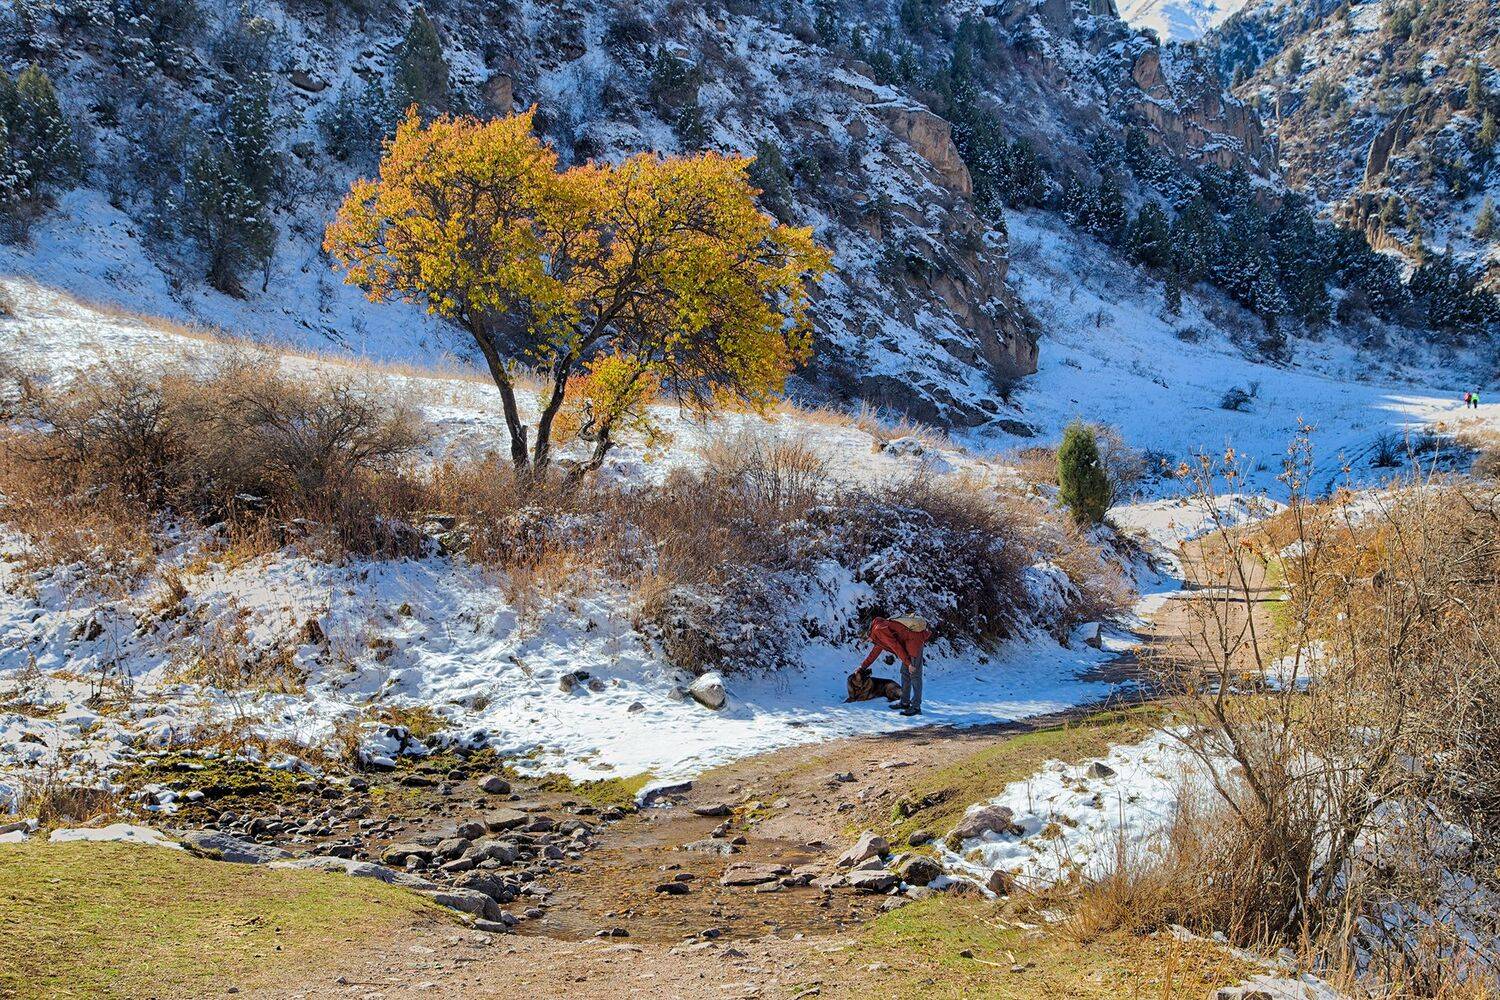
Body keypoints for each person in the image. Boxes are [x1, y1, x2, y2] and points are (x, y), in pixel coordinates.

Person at [857, 614, 932, 716]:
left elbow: (895, 646)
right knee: (905, 673)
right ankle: (905, 702)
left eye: (866, 640)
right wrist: (863, 666)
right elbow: (875, 652)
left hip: (914, 642)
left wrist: (909, 663)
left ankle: (916, 707)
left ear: (867, 634)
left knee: (915, 675)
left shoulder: (879, 630)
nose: (868, 641)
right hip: (907, 643)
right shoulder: (877, 632)